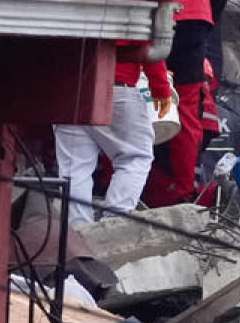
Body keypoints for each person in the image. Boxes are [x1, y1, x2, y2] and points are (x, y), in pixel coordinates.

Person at [143, 0, 228, 207]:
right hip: (194, 22)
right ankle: (182, 189)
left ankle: (124, 181)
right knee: (187, 108)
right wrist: (208, 20)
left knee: (140, 97)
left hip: (150, 19)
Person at [54, 46, 172, 227]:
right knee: (135, 157)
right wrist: (161, 88)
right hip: (117, 87)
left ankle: (77, 233)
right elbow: (150, 45)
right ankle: (113, 225)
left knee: (74, 168)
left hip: (68, 88)